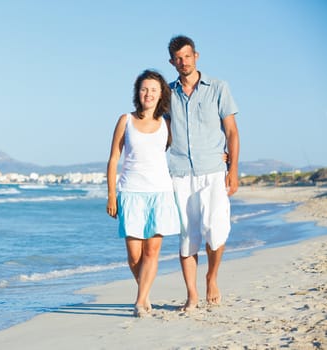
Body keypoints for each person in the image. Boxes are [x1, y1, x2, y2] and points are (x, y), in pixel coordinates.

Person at [166, 35, 240, 311]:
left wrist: (233, 169)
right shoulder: (167, 93)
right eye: (177, 58)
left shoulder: (218, 88)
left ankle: (212, 277)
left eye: (187, 56)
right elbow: (162, 132)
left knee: (216, 229)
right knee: (187, 235)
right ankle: (192, 294)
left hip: (213, 171)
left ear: (196, 56)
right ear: (171, 62)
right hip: (180, 173)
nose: (183, 62)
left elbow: (231, 131)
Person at [106, 69, 180, 317]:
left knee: (152, 252)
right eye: (144, 89)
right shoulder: (125, 120)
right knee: (134, 255)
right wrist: (111, 195)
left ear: (161, 95)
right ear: (138, 92)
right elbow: (114, 158)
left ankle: (140, 301)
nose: (148, 94)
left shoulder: (166, 124)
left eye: (154, 90)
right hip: (131, 192)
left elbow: (186, 150)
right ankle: (145, 294)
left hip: (160, 192)